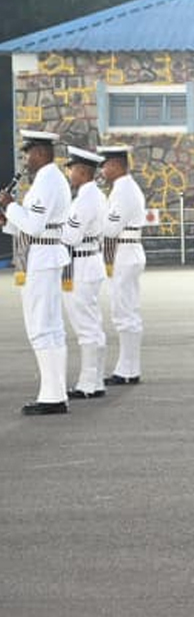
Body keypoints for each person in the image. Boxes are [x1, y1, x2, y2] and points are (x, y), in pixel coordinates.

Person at [2, 130, 72, 414]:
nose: (25, 161)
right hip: (44, 253)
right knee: (51, 328)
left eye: (28, 154)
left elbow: (34, 226)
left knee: (41, 328)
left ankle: (52, 397)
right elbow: (32, 224)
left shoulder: (46, 180)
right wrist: (7, 219)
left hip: (41, 257)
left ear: (40, 153)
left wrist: (9, 205)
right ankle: (55, 392)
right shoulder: (51, 178)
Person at [59, 147, 108, 399]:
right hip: (91, 261)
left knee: (85, 326)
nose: (69, 174)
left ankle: (88, 384)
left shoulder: (84, 200)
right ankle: (96, 380)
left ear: (82, 171)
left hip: (81, 265)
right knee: (93, 324)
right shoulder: (96, 196)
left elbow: (70, 236)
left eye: (71, 169)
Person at [99, 145, 146, 386]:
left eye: (105, 165)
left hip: (124, 253)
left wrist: (93, 219)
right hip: (126, 251)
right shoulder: (124, 188)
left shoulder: (123, 190)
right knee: (127, 311)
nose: (102, 171)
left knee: (124, 313)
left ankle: (128, 370)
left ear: (116, 165)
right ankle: (128, 367)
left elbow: (110, 228)